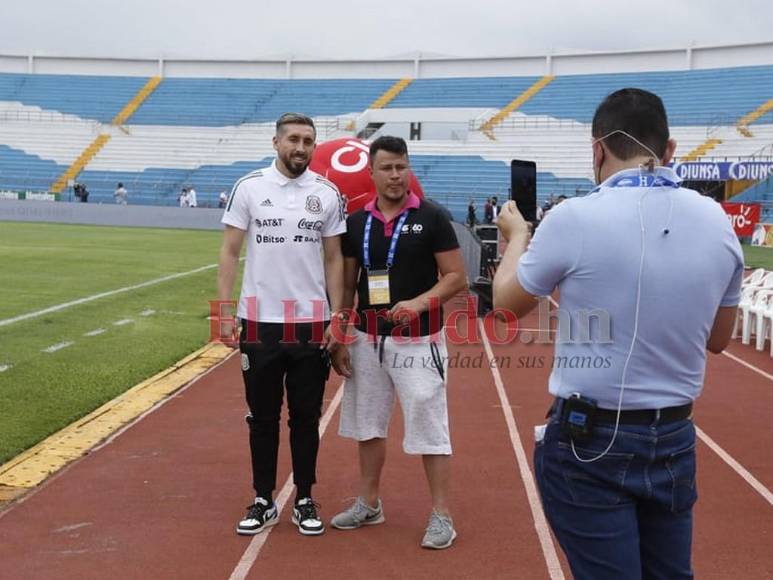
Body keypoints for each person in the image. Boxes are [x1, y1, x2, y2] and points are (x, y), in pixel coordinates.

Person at [493, 88, 743, 579]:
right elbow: (718, 339)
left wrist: (517, 236)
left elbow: (505, 305)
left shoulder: (573, 217)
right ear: (669, 149)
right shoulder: (716, 221)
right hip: (673, 434)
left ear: (597, 149)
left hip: (591, 438)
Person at [330, 136, 467, 550]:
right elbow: (348, 285)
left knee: (429, 425)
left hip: (419, 341)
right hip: (366, 339)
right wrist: (341, 334)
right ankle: (369, 503)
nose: (395, 175)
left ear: (409, 169)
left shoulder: (433, 217)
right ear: (371, 172)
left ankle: (442, 515)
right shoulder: (356, 222)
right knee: (367, 424)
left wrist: (418, 304)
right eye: (387, 168)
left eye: (401, 167)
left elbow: (455, 277)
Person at [217, 112, 347, 537]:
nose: (300, 147)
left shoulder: (327, 193)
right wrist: (224, 311)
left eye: (308, 141)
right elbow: (229, 252)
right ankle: (263, 499)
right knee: (262, 417)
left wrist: (337, 316)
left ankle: (305, 497)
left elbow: (334, 259)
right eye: (293, 139)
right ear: (276, 142)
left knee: (306, 417)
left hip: (310, 323)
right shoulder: (249, 187)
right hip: (260, 322)